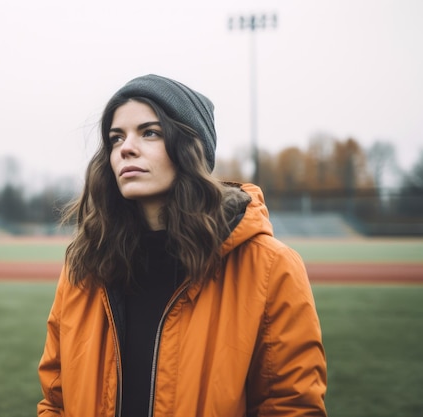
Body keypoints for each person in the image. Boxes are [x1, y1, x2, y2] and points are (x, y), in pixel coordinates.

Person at [37, 74, 328, 417]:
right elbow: (55, 402)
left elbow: (290, 407)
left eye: (150, 132)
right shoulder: (85, 267)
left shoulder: (270, 267)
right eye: (116, 138)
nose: (126, 148)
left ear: (191, 149)